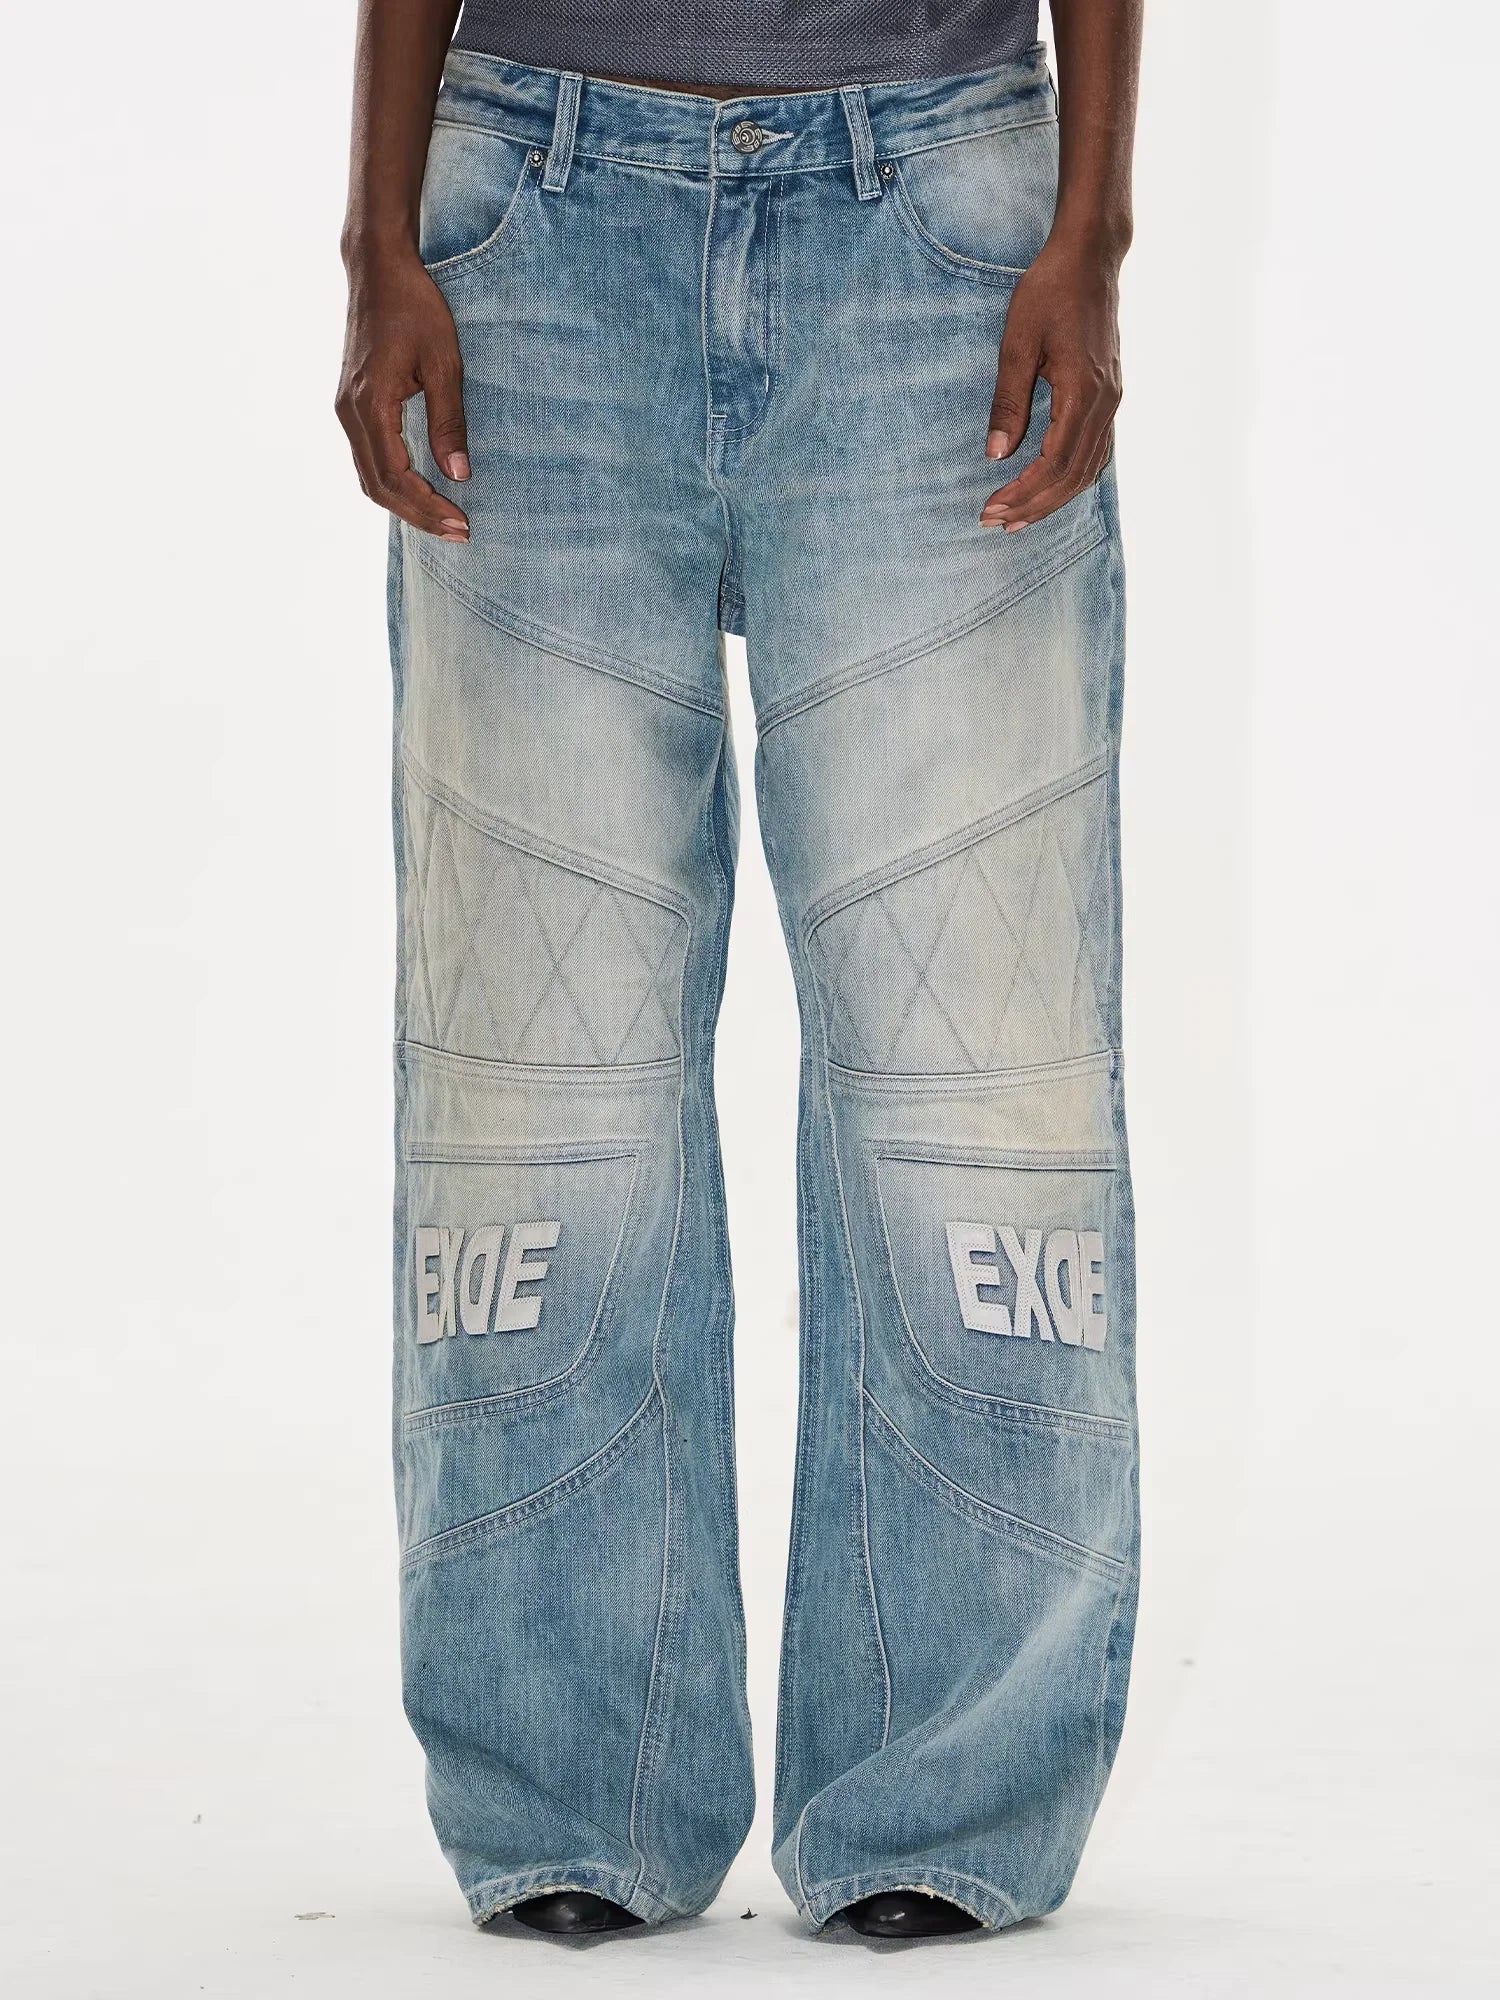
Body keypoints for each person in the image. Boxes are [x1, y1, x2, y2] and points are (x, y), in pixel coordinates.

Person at [337, 0, 1143, 1945]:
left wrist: (1090, 233)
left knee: (972, 1063)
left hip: (938, 229)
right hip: (530, 225)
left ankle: (942, 1790)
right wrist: (379, 242)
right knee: (541, 1070)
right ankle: (571, 1787)